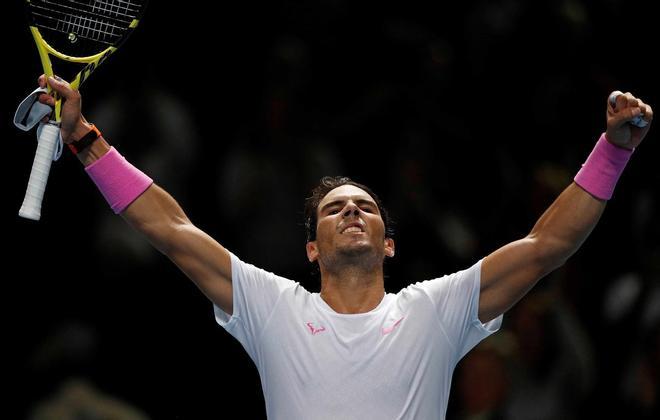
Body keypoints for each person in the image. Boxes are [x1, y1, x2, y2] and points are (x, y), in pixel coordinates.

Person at [35, 74, 653, 419]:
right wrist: (84, 138)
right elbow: (170, 230)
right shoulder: (273, 308)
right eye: (334, 209)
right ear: (311, 249)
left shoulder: (434, 311)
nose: (352, 210)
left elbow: (548, 245)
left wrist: (613, 151)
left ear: (389, 243)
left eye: (365, 206)